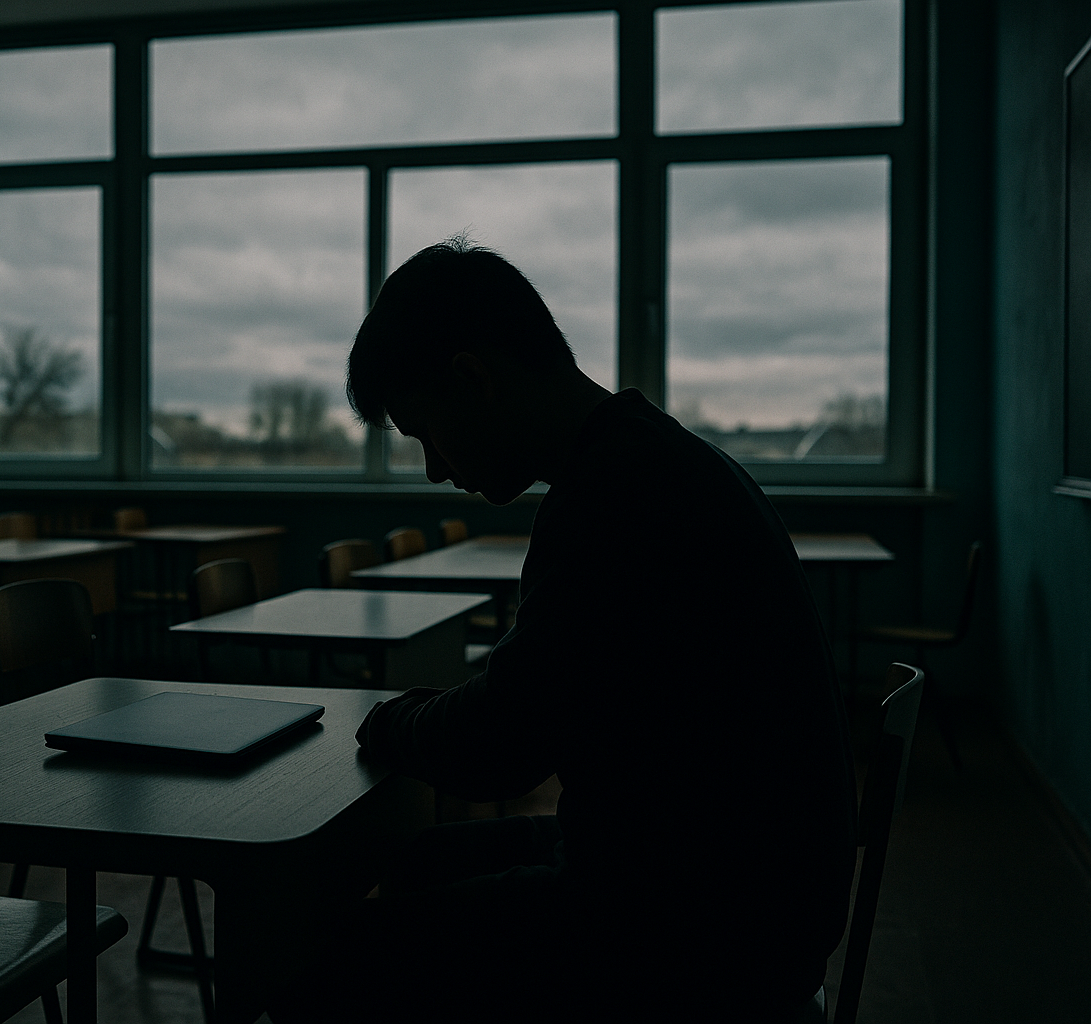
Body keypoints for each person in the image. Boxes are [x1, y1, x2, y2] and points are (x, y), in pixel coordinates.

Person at [267, 239, 856, 1023]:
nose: (436, 471)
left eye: (426, 436)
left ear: (471, 380)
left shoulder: (610, 496)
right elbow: (535, 697)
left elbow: (499, 747)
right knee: (422, 862)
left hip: (702, 929)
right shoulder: (654, 457)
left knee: (325, 965)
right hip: (740, 880)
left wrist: (388, 721)